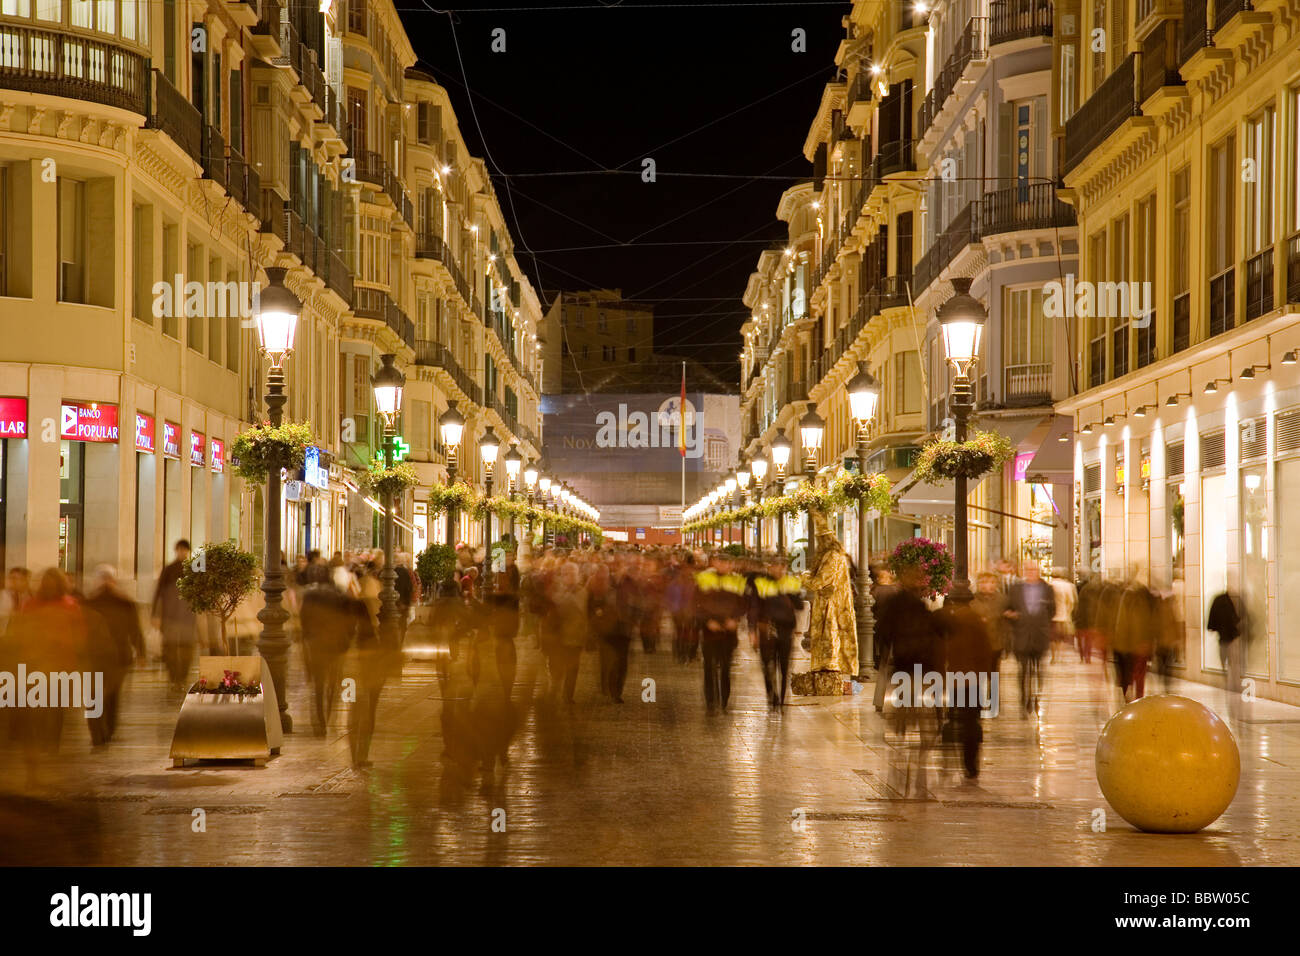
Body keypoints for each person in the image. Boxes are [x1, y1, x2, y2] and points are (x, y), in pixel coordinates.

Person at [936, 591, 996, 780]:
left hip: (956, 676)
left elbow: (942, 648)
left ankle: (960, 759)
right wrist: (986, 674)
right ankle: (970, 764)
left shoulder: (950, 620)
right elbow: (986, 648)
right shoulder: (976, 620)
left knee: (958, 715)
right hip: (973, 678)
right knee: (971, 718)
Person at [82, 566, 143, 745]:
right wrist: (141, 651)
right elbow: (135, 630)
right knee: (112, 696)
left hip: (95, 656)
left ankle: (97, 733)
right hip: (118, 656)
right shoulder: (125, 603)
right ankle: (108, 730)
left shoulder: (89, 602)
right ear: (114, 581)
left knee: (94, 696)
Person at [804, 510, 858, 686]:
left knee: (830, 637)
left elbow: (819, 582)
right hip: (829, 603)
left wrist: (804, 577)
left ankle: (829, 669)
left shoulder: (832, 557)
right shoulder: (836, 555)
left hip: (831, 606)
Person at [694, 553, 745, 714]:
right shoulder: (703, 579)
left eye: (728, 563)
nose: (726, 566)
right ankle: (711, 702)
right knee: (709, 667)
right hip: (710, 632)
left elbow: (743, 604)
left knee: (725, 667)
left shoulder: (738, 580)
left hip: (729, 633)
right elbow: (696, 604)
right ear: (715, 563)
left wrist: (735, 619)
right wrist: (707, 621)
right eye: (722, 562)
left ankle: (724, 700)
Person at [754, 557, 803, 708]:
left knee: (784, 667)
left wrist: (788, 595)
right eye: (775, 566)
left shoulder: (792, 582)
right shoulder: (761, 583)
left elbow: (799, 605)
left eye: (782, 566)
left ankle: (781, 699)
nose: (779, 569)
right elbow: (755, 606)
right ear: (770, 567)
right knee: (768, 665)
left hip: (785, 630)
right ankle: (771, 695)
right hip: (767, 629)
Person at [1005, 563, 1053, 715]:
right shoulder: (1015, 589)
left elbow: (1052, 610)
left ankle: (1037, 696)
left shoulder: (1047, 589)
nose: (1031, 573)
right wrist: (1013, 616)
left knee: (1039, 669)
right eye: (1028, 570)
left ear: (1038, 571)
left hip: (1040, 635)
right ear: (1024, 572)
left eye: (1034, 570)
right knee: (1023, 669)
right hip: (1022, 635)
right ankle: (1024, 697)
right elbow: (1009, 607)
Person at [152, 540, 197, 692]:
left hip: (188, 618)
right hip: (170, 617)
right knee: (170, 650)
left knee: (186, 650)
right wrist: (156, 615)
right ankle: (174, 679)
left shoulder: (193, 569)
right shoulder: (169, 569)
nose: (182, 552)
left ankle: (182, 678)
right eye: (180, 550)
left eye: (184, 550)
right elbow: (158, 593)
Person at [1207, 587, 1246, 723]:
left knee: (1227, 661)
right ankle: (1232, 681)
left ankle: (1229, 680)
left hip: (1225, 639)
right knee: (1231, 662)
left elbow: (1212, 622)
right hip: (1230, 638)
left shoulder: (1222, 601)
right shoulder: (1229, 601)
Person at [1048, 568, 1077, 664]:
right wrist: (1068, 612)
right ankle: (1060, 657)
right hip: (1064, 615)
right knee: (1062, 638)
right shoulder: (1068, 586)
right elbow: (1072, 601)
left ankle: (1053, 656)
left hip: (1052, 616)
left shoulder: (1050, 585)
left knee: (1052, 638)